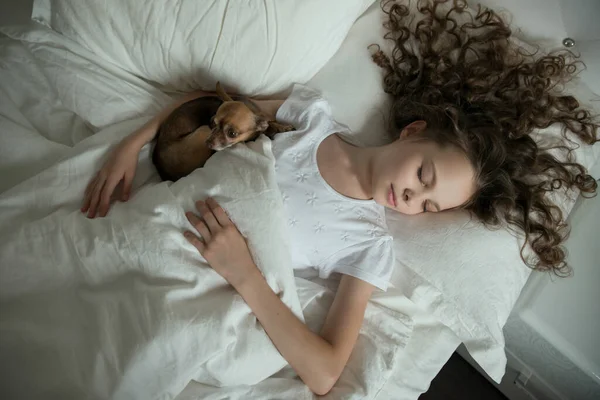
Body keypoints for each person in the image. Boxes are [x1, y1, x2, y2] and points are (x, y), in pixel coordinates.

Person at [81, 0, 598, 395]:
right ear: (412, 131)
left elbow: (327, 371)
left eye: (428, 206)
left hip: (203, 285)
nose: (413, 196)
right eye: (424, 174)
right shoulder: (310, 118)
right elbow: (215, 106)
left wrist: (244, 273)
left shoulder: (369, 247)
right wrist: (134, 143)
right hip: (158, 220)